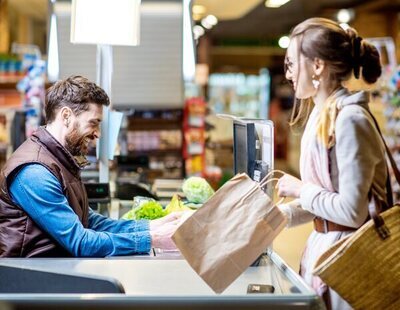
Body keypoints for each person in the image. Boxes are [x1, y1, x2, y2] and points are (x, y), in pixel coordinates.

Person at [0, 75, 181, 257]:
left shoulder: (60, 160)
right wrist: (153, 239)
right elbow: (80, 242)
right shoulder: (34, 172)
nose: (98, 134)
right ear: (66, 116)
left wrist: (152, 225)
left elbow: (91, 222)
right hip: (33, 279)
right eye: (93, 123)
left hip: (56, 269)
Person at [275, 18, 388, 309]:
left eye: (291, 64)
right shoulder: (322, 114)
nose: (288, 74)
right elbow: (325, 203)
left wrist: (300, 189)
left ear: (317, 66)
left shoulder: (350, 119)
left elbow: (350, 212)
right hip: (328, 251)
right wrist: (280, 216)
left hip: (352, 261)